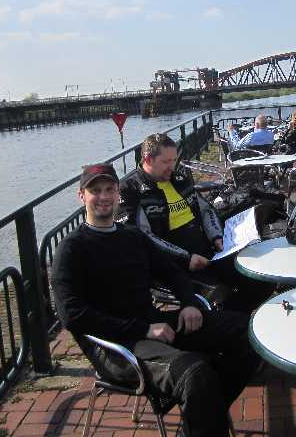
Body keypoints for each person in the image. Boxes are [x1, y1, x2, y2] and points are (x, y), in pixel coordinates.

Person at [51, 163, 260, 437]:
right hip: (116, 344)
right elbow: (72, 315)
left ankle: (201, 419)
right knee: (196, 374)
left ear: (118, 194)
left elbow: (171, 272)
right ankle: (204, 416)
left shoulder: (131, 236)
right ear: (82, 196)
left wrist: (188, 303)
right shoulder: (72, 248)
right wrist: (144, 330)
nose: (103, 197)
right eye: (95, 191)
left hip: (152, 323)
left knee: (249, 334)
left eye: (109, 190)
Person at [118, 133, 273, 312]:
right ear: (147, 159)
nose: (172, 167)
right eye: (166, 162)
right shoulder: (130, 190)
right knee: (219, 295)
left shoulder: (179, 180)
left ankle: (236, 318)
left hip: (209, 252)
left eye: (174, 160)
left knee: (262, 281)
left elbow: (206, 210)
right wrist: (186, 258)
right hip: (172, 265)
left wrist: (216, 236)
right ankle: (230, 321)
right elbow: (142, 237)